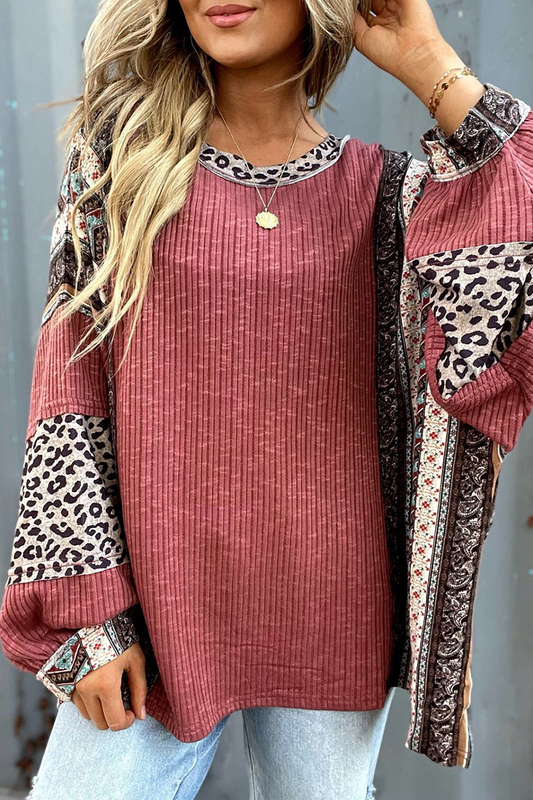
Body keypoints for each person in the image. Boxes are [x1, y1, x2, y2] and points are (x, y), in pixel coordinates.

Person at [1, 0, 532, 798]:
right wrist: (88, 609)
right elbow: (67, 397)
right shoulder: (120, 172)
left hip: (333, 611)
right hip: (157, 615)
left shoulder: (395, 197)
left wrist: (427, 62)